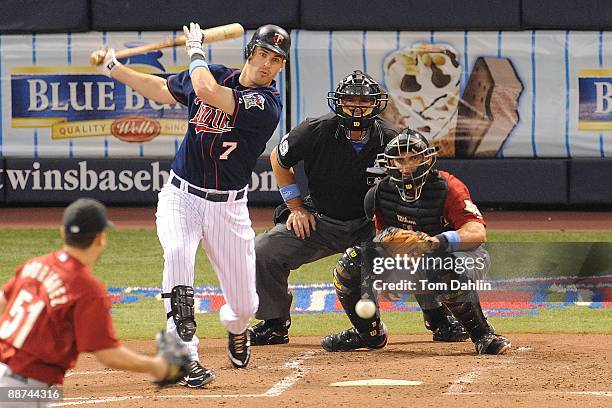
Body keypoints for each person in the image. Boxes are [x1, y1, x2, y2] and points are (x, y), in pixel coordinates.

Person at [95, 22, 291, 385]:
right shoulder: (215, 73)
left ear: (281, 67)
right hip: (180, 195)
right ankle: (185, 353)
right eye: (263, 53)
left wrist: (195, 47)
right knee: (177, 254)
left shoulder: (266, 105)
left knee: (246, 305)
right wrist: (114, 68)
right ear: (251, 52)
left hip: (227, 208)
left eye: (276, 59)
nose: (267, 64)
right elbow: (161, 89)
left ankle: (236, 328)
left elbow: (205, 89)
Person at [249, 71, 467, 346]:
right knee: (264, 249)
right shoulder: (314, 129)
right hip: (320, 221)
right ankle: (274, 324)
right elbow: (278, 159)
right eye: (350, 100)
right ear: (337, 102)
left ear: (375, 104)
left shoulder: (391, 138)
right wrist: (295, 207)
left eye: (363, 101)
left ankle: (438, 320)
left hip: (372, 226)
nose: (356, 107)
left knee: (417, 241)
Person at [321, 129, 511, 355]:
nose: (406, 166)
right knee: (351, 264)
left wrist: (436, 242)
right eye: (399, 160)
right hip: (412, 262)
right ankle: (369, 334)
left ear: (427, 159)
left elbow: (477, 232)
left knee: (441, 264)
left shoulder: (449, 187)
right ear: (388, 162)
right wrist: (384, 273)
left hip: (464, 258)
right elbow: (384, 239)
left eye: (413, 158)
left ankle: (483, 335)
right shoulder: (378, 194)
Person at [0, 198, 190, 407]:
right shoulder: (87, 289)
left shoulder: (34, 265)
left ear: (63, 232)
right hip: (22, 391)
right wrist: (158, 366)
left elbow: (3, 302)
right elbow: (108, 355)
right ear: (101, 238)